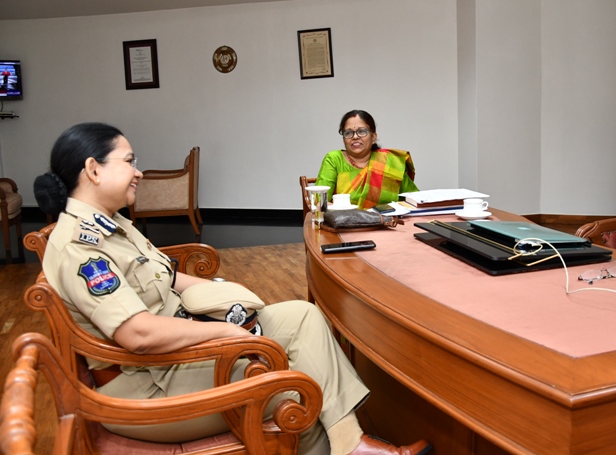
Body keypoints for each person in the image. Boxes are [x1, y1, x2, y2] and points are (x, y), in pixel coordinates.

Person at [33, 122, 431, 455]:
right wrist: (224, 332)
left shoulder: (112, 223)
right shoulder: (81, 246)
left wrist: (227, 298)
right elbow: (138, 335)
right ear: (93, 169)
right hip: (150, 384)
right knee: (293, 390)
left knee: (303, 316)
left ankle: (350, 445)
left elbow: (166, 276)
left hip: (176, 352)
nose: (138, 172)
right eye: (129, 161)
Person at [316, 110, 418, 208]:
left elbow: (414, 198)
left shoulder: (389, 161)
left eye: (361, 131)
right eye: (348, 133)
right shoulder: (334, 159)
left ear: (373, 137)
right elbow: (320, 201)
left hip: (385, 218)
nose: (355, 137)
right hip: (344, 218)